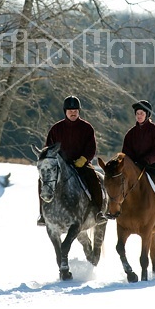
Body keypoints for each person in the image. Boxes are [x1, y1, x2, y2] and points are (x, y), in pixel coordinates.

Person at [37, 95, 106, 226]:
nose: (73, 113)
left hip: (81, 163)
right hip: (60, 166)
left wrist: (84, 159)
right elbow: (48, 149)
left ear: (79, 111)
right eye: (70, 111)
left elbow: (92, 147)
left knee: (93, 177)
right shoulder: (56, 129)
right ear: (65, 112)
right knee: (42, 180)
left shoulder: (87, 128)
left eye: (75, 111)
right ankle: (42, 213)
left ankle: (97, 212)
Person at [122, 99, 155, 220]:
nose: (139, 116)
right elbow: (126, 152)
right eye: (137, 114)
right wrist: (131, 163)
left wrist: (146, 161)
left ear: (147, 115)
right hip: (135, 165)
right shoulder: (130, 133)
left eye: (142, 113)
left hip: (154, 164)